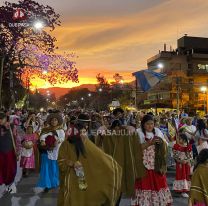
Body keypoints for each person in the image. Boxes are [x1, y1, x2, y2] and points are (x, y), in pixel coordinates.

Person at [57, 122, 122, 206]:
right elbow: (60, 161)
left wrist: (114, 167)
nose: (83, 135)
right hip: (71, 180)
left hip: (87, 179)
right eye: (80, 132)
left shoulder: (88, 144)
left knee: (86, 198)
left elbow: (101, 157)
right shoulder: (66, 144)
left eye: (85, 132)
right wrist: (72, 163)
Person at [132, 115, 172, 206]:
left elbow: (165, 145)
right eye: (147, 124)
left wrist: (161, 143)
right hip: (143, 164)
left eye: (152, 124)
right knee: (144, 184)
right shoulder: (138, 133)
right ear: (143, 124)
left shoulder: (157, 131)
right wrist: (150, 143)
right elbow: (135, 149)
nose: (150, 126)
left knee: (159, 182)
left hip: (156, 163)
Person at [35, 112, 65, 193]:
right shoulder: (45, 129)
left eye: (55, 120)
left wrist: (58, 141)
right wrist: (42, 141)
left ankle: (54, 183)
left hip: (56, 152)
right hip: (46, 152)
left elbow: (62, 139)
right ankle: (47, 185)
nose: (53, 121)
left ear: (58, 121)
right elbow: (41, 136)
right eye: (52, 120)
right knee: (46, 169)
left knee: (55, 169)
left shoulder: (61, 130)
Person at [0, 112, 17, 194]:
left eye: (1, 119)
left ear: (5, 119)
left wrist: (18, 149)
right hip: (1, 152)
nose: (0, 120)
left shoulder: (11, 126)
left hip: (9, 151)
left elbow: (16, 138)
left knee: (9, 168)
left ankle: (9, 184)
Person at [173, 133, 193, 198]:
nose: (178, 140)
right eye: (178, 138)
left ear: (184, 140)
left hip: (186, 164)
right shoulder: (176, 146)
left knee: (186, 175)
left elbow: (190, 156)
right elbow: (175, 156)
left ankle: (186, 189)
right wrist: (180, 161)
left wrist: (186, 161)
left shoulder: (188, 146)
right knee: (181, 175)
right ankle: (182, 190)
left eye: (180, 139)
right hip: (180, 164)